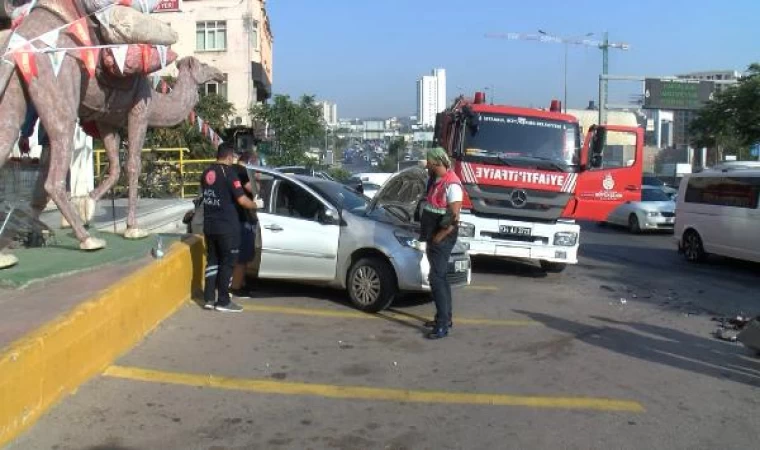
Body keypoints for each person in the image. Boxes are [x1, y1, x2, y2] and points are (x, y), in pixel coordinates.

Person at [200, 144, 257, 312]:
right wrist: (256, 205)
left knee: (212, 261)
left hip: (209, 224)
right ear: (229, 156)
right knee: (228, 262)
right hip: (227, 226)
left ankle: (209, 299)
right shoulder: (229, 173)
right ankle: (223, 301)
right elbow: (242, 200)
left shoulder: (206, 172)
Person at [419, 147, 463, 339]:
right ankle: (444, 317)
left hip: (442, 236)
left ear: (436, 163)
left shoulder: (452, 184)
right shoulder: (435, 180)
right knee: (441, 277)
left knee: (436, 279)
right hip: (434, 233)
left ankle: (442, 325)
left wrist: (439, 236)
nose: (426, 165)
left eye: (428, 162)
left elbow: (454, 217)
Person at [230, 150, 261, 295]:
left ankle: (241, 283)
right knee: (243, 256)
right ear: (250, 161)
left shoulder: (232, 170)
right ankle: (236, 288)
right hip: (242, 218)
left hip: (234, 217)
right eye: (256, 163)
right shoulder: (243, 172)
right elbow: (254, 190)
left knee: (242, 255)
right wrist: (257, 178)